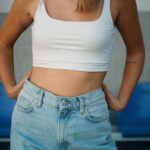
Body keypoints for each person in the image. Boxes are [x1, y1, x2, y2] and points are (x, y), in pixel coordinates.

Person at [0, 0, 145, 149]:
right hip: (33, 120)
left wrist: (122, 100)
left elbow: (136, 51)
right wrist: (10, 88)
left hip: (90, 122)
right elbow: (3, 42)